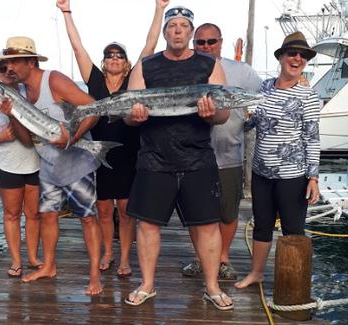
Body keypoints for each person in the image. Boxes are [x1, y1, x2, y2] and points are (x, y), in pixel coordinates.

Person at [123, 6, 234, 310]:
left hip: (198, 159)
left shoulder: (209, 64)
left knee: (209, 225)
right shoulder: (146, 66)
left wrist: (213, 115)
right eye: (172, 25)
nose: (178, 30)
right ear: (165, 32)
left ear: (190, 32)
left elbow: (223, 115)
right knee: (147, 225)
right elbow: (127, 115)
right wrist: (134, 116)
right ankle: (147, 284)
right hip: (153, 159)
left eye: (184, 26)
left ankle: (211, 286)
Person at [56, 0, 169, 278]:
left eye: (119, 55)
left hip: (130, 152)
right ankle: (108, 251)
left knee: (127, 210)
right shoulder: (94, 80)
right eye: (109, 55)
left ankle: (126, 258)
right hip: (99, 155)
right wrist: (67, 12)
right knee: (104, 210)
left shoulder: (134, 78)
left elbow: (150, 47)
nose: (114, 58)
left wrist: (159, 10)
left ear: (126, 61)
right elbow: (77, 47)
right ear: (104, 62)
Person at [0, 36, 104, 295]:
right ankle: (49, 267)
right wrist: (11, 114)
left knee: (87, 218)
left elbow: (94, 108)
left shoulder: (53, 80)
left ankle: (95, 277)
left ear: (31, 62)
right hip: (48, 165)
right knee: (47, 216)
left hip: (77, 163)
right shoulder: (19, 93)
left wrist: (73, 137)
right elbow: (26, 141)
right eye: (7, 62)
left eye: (15, 62)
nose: (9, 68)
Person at [235, 31, 321, 289]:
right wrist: (244, 115)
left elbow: (313, 138)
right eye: (292, 53)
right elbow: (249, 124)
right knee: (261, 227)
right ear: (281, 57)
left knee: (293, 232)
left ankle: (293, 284)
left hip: (292, 176)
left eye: (303, 55)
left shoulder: (309, 95)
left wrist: (313, 177)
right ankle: (256, 274)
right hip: (261, 172)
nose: (297, 58)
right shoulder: (263, 88)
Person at [181, 23, 262, 280]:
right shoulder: (185, 68)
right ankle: (199, 257)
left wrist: (296, 80)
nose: (206, 47)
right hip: (192, 154)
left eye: (211, 41)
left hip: (229, 154)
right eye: (201, 42)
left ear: (221, 42)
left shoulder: (242, 71)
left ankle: (223, 258)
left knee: (228, 211)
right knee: (195, 212)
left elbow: (267, 92)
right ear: (194, 44)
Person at [0, 54, 42, 278]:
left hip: (35, 162)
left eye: (10, 67)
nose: (7, 71)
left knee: (33, 214)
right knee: (12, 215)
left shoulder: (29, 92)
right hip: (7, 164)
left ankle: (33, 257)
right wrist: (1, 137)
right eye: (1, 68)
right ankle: (16, 261)